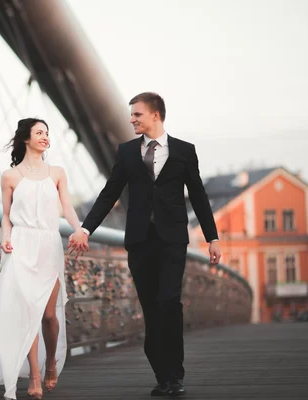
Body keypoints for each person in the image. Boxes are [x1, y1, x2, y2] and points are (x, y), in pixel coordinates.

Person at [69, 92, 221, 397]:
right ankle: (162, 374)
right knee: (151, 309)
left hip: (172, 241)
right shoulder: (126, 152)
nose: (131, 119)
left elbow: (200, 196)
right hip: (140, 242)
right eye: (130, 114)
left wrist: (212, 237)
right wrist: (85, 228)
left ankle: (175, 376)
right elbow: (110, 192)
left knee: (169, 302)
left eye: (137, 114)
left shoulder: (183, 151)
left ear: (155, 115)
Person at [0, 118, 86, 400]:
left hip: (48, 245)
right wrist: (5, 237)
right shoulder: (10, 176)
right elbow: (6, 216)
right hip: (21, 245)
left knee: (48, 316)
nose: (45, 137)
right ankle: (34, 374)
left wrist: (80, 227)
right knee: (28, 315)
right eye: (39, 132)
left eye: (47, 133)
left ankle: (51, 363)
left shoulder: (57, 172)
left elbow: (67, 207)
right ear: (26, 138)